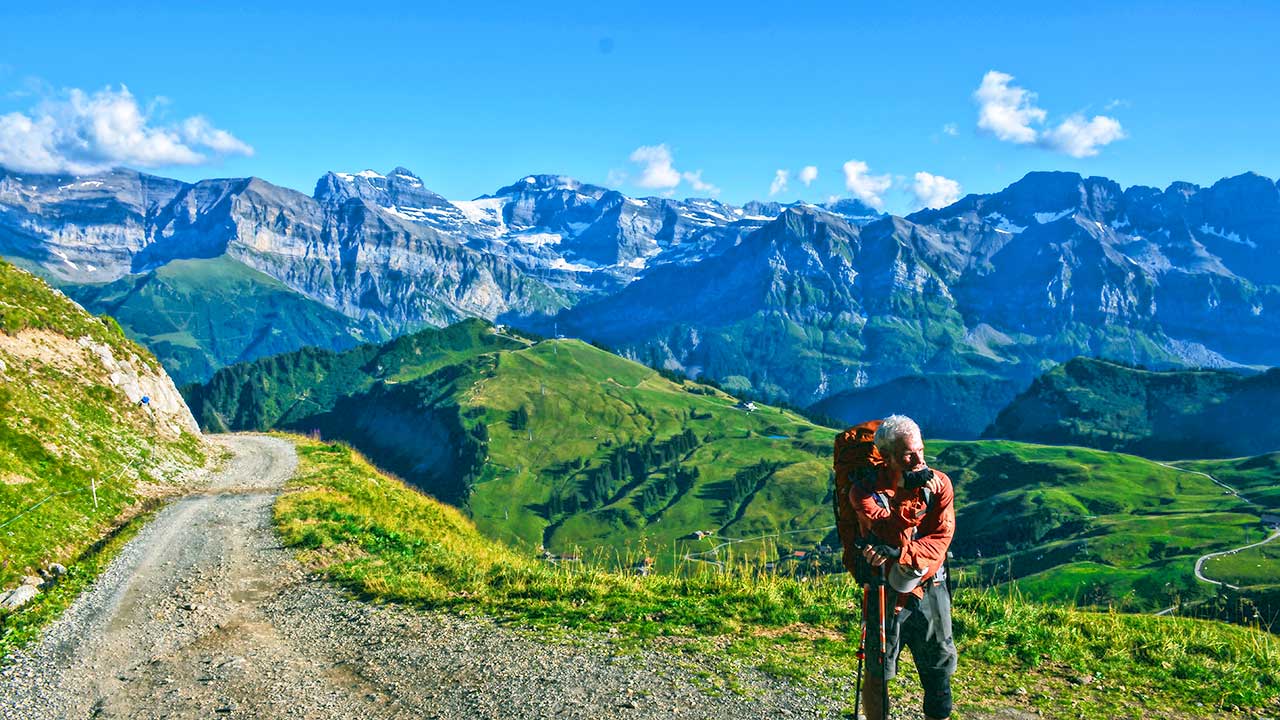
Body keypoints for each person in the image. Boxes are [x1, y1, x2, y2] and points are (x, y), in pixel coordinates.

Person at [853, 415, 956, 720]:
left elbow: (941, 538)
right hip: (883, 590)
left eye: (921, 451)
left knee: (939, 669)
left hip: (929, 585)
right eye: (908, 455)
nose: (918, 460)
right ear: (886, 456)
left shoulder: (939, 484)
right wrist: (905, 493)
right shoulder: (864, 491)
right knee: (877, 670)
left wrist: (901, 554)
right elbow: (885, 531)